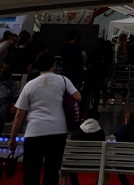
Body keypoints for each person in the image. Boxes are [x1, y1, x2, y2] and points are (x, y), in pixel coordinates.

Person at [8, 49, 81, 185]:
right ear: (53, 64)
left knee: (31, 172)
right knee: (52, 172)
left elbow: (19, 114)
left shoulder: (30, 85)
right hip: (58, 131)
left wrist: (13, 138)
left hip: (34, 132)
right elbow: (77, 97)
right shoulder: (63, 80)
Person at [68, 109, 106, 185]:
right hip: (97, 164)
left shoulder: (76, 133)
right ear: (97, 119)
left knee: (69, 161)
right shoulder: (101, 134)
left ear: (84, 119)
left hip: (76, 164)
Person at [114, 108, 134, 185]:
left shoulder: (120, 132)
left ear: (127, 119)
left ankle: (125, 183)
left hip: (122, 164)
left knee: (118, 162)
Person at [0, 65, 18, 134]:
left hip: (3, 111)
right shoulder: (13, 84)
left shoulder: (12, 84)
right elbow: (15, 97)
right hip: (3, 112)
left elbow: (15, 98)